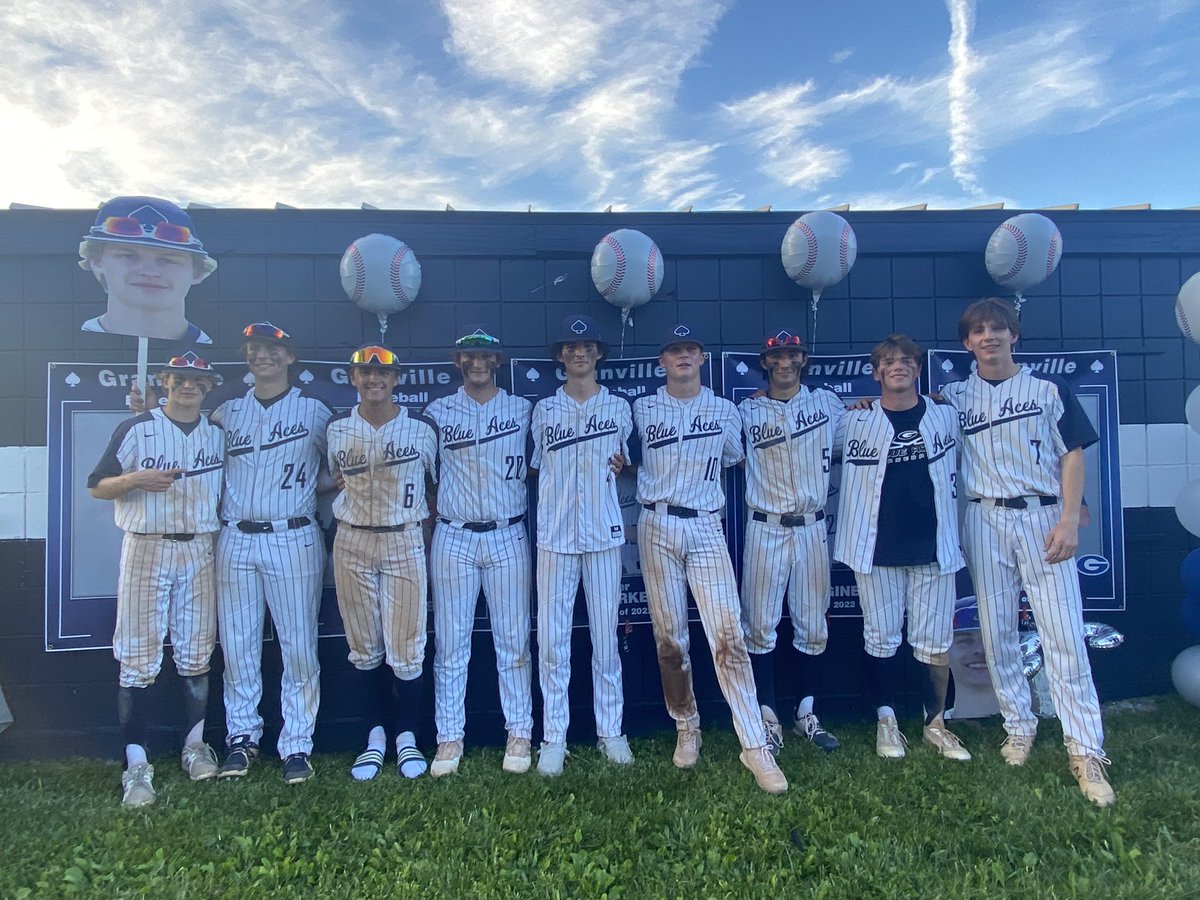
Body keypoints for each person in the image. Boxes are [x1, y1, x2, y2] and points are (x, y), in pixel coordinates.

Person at [942, 298, 1113, 806]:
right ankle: (1019, 726)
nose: (988, 337)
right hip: (983, 516)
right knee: (996, 632)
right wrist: (863, 405)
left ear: (1013, 335)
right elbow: (907, 405)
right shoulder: (954, 396)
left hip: (1042, 514)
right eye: (978, 331)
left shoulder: (1047, 388)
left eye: (997, 328)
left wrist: (1069, 519)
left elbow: (1073, 455)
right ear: (967, 343)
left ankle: (1085, 748)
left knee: (1063, 635)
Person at [633, 324, 787, 794]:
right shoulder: (641, 409)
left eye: (691, 349)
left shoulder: (724, 410)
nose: (683, 356)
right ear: (662, 361)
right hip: (656, 522)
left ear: (702, 358)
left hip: (704, 523)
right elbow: (621, 455)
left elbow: (734, 457)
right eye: (674, 350)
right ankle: (687, 725)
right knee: (670, 641)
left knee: (728, 636)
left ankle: (754, 744)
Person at [87, 352, 225, 808]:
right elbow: (97, 486)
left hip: (199, 545)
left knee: (196, 652)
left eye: (197, 381)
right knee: (138, 657)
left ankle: (194, 746)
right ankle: (136, 764)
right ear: (164, 381)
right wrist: (133, 479)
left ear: (208, 387)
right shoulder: (137, 428)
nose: (188, 386)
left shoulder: (216, 433)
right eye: (179, 378)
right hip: (146, 545)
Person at [833, 335, 969, 761]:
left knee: (935, 641)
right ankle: (886, 721)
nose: (899, 366)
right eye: (889, 361)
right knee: (881, 638)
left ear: (918, 369)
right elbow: (801, 443)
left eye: (907, 360)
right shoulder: (851, 421)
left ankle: (936, 723)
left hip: (934, 546)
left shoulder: (946, 415)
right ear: (876, 372)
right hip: (874, 548)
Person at [211, 323, 334, 784]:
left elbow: (337, 467)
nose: (262, 355)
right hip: (236, 536)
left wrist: (322, 485)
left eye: (272, 349)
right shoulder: (226, 412)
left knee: (298, 646)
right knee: (238, 645)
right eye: (254, 348)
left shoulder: (315, 411)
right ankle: (241, 738)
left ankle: (297, 743)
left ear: (289, 357)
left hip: (293, 534)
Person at [424, 328, 534, 777]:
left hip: (508, 531)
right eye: (468, 356)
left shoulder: (522, 409)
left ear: (497, 362)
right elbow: (424, 474)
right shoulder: (437, 411)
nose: (477, 363)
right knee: (451, 643)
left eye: (485, 357)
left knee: (514, 641)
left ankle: (520, 731)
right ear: (458, 362)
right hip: (454, 533)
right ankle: (449, 737)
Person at [326, 345, 438, 780]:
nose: (374, 379)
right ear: (353, 378)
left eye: (382, 373)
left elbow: (436, 486)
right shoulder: (336, 428)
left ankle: (407, 737)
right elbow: (330, 477)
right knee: (363, 646)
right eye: (365, 372)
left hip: (403, 536)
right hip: (352, 539)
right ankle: (374, 738)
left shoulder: (422, 427)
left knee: (407, 647)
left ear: (396, 379)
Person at [530, 315, 634, 776]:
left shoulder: (620, 408)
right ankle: (554, 738)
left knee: (605, 640)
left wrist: (622, 464)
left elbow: (630, 462)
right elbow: (536, 467)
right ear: (560, 355)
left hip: (604, 534)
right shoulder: (543, 410)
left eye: (587, 346)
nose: (579, 353)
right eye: (571, 347)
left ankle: (611, 732)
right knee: (553, 643)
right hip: (555, 537)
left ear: (598, 354)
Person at [737, 329, 846, 755]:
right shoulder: (746, 411)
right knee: (759, 626)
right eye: (776, 357)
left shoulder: (827, 404)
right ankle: (767, 716)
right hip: (765, 525)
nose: (784, 362)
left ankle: (806, 713)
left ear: (803, 360)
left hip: (813, 525)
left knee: (812, 624)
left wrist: (864, 405)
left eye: (792, 355)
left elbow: (860, 435)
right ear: (765, 363)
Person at [78, 196, 215, 343]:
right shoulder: (69, 341)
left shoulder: (219, 353)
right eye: (128, 256)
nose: (149, 272)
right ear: (96, 261)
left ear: (197, 272)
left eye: (168, 260)